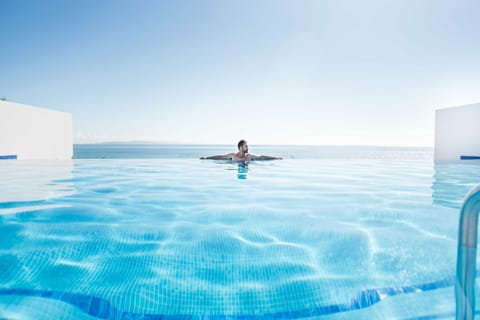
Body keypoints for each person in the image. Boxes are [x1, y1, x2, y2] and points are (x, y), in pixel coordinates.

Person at [200, 140, 282, 161]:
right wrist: (207, 158)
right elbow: (220, 156)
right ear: (240, 148)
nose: (247, 148)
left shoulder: (249, 156)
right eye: (245, 146)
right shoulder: (233, 156)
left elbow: (261, 157)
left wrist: (276, 158)